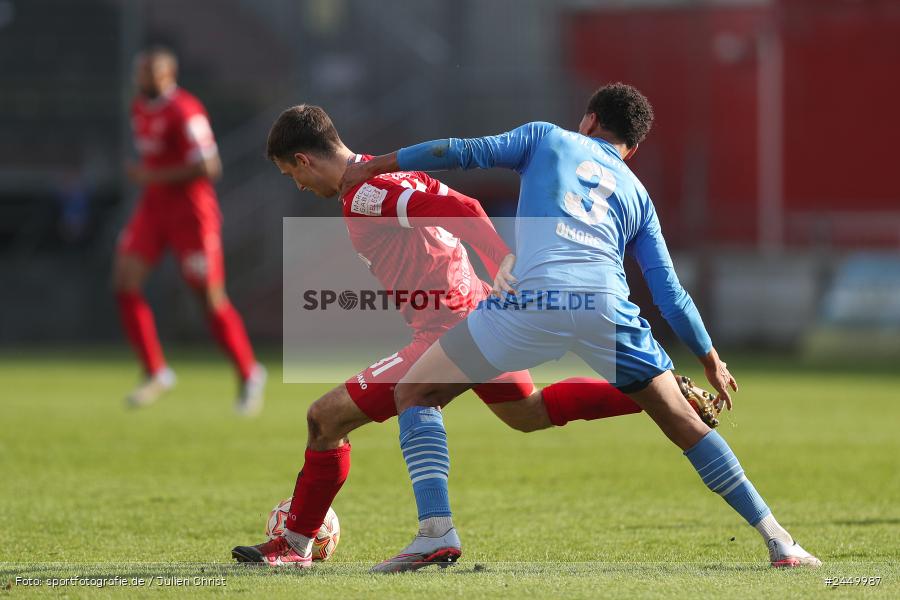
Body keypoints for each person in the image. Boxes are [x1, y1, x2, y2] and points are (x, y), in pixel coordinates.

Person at [340, 83, 821, 571]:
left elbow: (463, 153)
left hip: (535, 299)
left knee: (416, 393)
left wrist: (377, 165)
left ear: (588, 120)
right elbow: (670, 294)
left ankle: (435, 532)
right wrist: (710, 360)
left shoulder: (546, 138)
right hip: (608, 308)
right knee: (686, 425)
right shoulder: (638, 195)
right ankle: (782, 542)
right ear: (630, 149)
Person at [230, 105, 715, 568]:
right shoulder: (396, 176)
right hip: (480, 313)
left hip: (449, 329)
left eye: (290, 174)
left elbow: (459, 204)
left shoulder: (365, 193)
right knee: (528, 413)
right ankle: (663, 396)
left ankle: (295, 542)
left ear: (303, 159)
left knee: (325, 419)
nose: (296, 183)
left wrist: (500, 255)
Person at [113, 46, 266, 415]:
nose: (141, 78)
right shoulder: (138, 107)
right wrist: (152, 180)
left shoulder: (186, 110)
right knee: (124, 282)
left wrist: (152, 176)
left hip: (191, 216)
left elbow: (209, 166)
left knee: (208, 299)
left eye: (148, 73)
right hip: (153, 209)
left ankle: (249, 372)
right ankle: (156, 371)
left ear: (167, 75)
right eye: (140, 72)